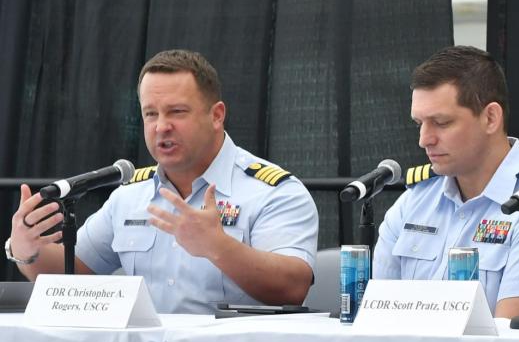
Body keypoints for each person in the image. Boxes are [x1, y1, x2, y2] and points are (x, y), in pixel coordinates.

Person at [6, 49, 318, 313]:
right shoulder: (130, 195)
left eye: (177, 112)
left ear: (217, 115)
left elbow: (293, 287)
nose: (161, 127)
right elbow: (73, 274)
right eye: (151, 114)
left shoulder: (272, 191)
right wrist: (26, 251)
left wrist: (218, 247)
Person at [373, 45, 519, 319]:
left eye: (441, 122)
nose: (424, 140)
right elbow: (378, 318)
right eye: (418, 123)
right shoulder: (413, 201)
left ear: (491, 118)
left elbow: (511, 341)